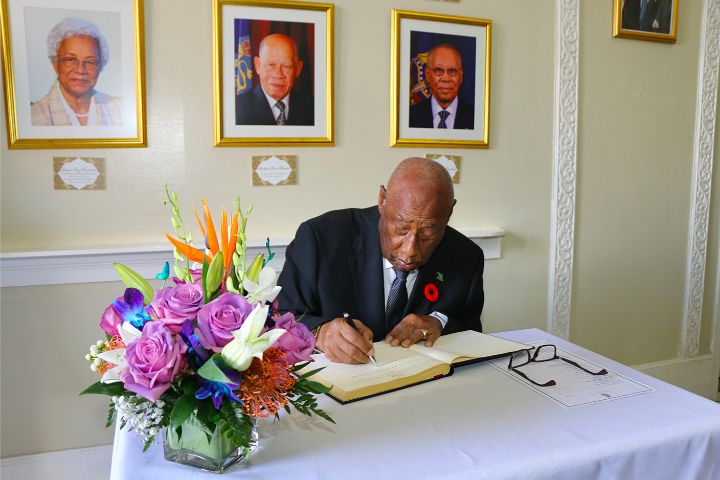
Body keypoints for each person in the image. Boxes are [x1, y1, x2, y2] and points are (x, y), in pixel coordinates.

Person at [277, 157, 485, 365]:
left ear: (449, 212)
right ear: (382, 199)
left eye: (427, 233)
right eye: (401, 228)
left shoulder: (466, 257)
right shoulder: (320, 239)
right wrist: (318, 332)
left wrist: (439, 323)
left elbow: (471, 330)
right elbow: (280, 316)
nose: (409, 251)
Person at [31, 17, 122, 126]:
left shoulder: (120, 109)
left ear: (100, 65)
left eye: (90, 61)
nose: (80, 70)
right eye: (70, 59)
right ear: (55, 63)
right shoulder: (34, 117)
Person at [235, 33, 313, 125]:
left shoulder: (314, 108)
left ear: (298, 69)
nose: (278, 74)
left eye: (286, 66)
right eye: (271, 65)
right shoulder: (236, 108)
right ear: (258, 65)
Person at [409, 43, 474, 130]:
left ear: (461, 76)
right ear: (427, 75)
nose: (446, 78)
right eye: (438, 70)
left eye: (452, 71)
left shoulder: (475, 117)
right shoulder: (410, 116)